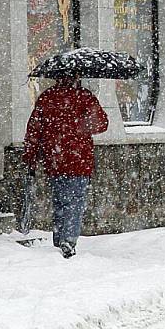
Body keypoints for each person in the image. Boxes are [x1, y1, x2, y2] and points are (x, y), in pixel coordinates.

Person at [23, 77, 108, 258]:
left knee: (60, 200)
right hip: (79, 160)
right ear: (76, 77)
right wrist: (82, 124)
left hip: (55, 159)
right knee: (75, 202)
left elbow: (34, 130)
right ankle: (68, 241)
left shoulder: (47, 97)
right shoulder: (84, 97)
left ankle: (59, 238)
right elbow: (102, 124)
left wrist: (30, 157)